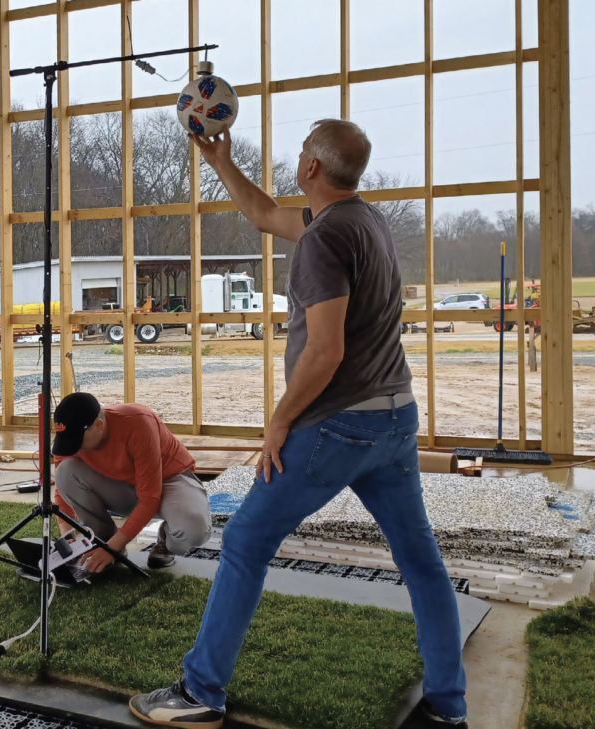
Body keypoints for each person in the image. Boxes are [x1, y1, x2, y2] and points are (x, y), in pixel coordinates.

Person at [129, 120, 468, 729]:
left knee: (245, 543)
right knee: (421, 561)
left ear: (313, 167)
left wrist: (279, 422)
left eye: (304, 147)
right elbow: (264, 214)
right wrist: (219, 160)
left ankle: (200, 692)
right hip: (394, 419)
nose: (298, 155)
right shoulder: (364, 222)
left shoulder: (324, 241)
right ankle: (448, 708)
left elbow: (325, 352)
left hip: (337, 426)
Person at [51, 392, 212, 571]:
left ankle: (166, 541)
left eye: (77, 441)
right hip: (122, 484)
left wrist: (112, 549)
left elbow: (150, 498)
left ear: (98, 425)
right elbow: (62, 489)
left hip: (169, 479)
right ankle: (101, 539)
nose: (73, 447)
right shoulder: (69, 439)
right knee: (64, 471)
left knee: (194, 529)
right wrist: (67, 539)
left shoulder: (138, 423)